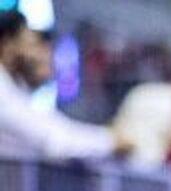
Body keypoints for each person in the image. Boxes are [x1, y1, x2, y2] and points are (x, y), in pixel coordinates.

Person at [0, 10, 132, 161]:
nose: (39, 55)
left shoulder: (14, 88)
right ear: (6, 45)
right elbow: (53, 141)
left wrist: (110, 137)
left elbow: (53, 125)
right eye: (31, 45)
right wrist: (111, 142)